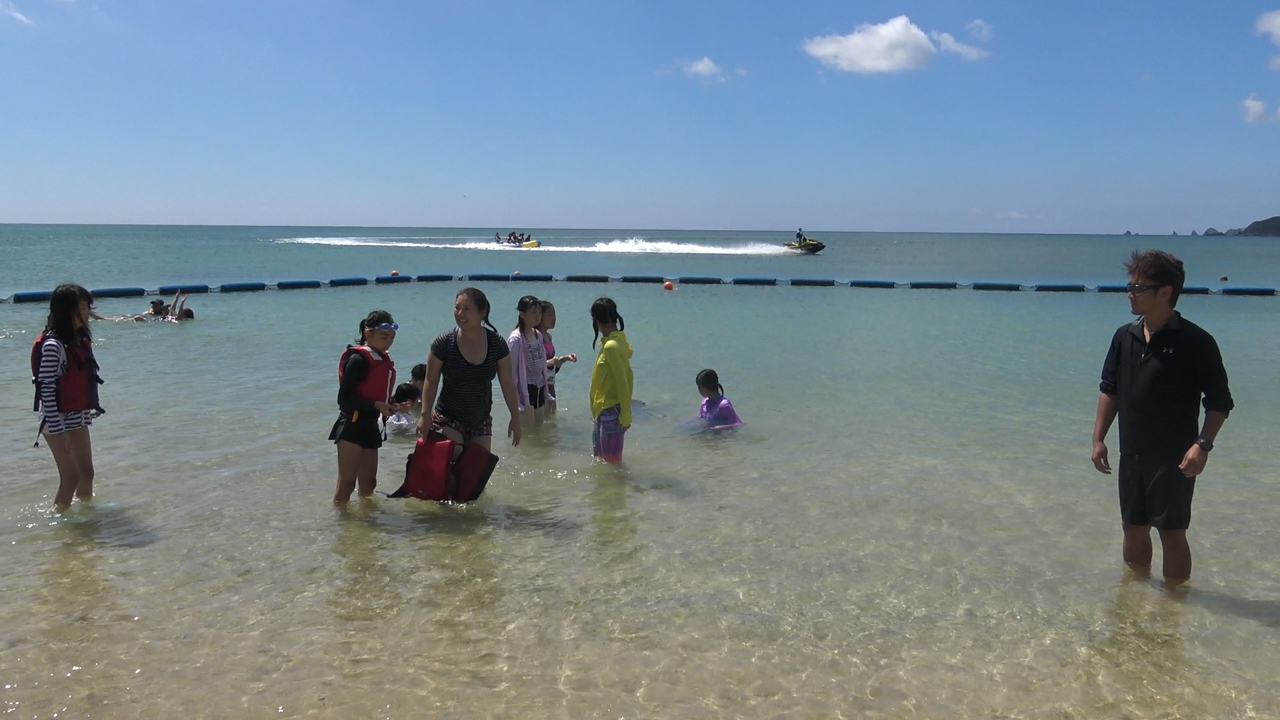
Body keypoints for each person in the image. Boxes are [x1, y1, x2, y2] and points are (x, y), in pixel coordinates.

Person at [1091, 250, 1233, 586]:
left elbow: (1219, 402)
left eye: (1138, 287)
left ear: (1165, 292)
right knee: (1132, 527)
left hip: (1174, 459)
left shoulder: (1196, 341)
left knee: (1172, 533)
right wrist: (1098, 438)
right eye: (1129, 286)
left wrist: (1203, 445)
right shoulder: (1125, 336)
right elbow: (1109, 390)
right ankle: (1136, 595)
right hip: (1133, 453)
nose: (1130, 293)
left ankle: (1173, 606)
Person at [416, 287, 522, 452]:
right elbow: (431, 380)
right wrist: (424, 416)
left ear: (482, 312)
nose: (460, 314)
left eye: (466, 309)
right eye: (457, 308)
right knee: (453, 462)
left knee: (476, 473)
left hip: (481, 420)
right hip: (448, 417)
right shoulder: (444, 342)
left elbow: (507, 382)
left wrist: (515, 417)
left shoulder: (496, 344)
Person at [32, 284, 105, 512]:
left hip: (76, 413)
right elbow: (46, 388)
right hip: (56, 419)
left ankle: (86, 513)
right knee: (71, 477)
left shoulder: (78, 339)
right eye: (82, 307)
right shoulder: (54, 346)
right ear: (67, 310)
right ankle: (59, 522)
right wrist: (58, 430)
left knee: (87, 472)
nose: (87, 312)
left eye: (87, 307)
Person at [330, 310, 400, 504]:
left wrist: (391, 404)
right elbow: (344, 399)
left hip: (370, 424)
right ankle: (341, 525)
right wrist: (376, 405)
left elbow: (375, 391)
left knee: (369, 484)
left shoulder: (382, 360)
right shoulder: (358, 360)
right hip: (351, 423)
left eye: (392, 338)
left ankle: (365, 526)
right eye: (384, 337)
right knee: (347, 483)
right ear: (368, 334)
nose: (389, 342)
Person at [589, 297, 633, 462]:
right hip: (602, 410)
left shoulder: (612, 346)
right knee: (601, 464)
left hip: (611, 411)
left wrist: (625, 414)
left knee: (612, 466)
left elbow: (624, 380)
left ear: (596, 320)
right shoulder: (616, 341)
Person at [508, 295, 548, 426]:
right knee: (528, 433)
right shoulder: (516, 339)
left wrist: (547, 392)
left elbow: (542, 364)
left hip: (539, 385)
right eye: (533, 313)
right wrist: (517, 401)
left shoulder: (538, 335)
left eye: (539, 312)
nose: (537, 316)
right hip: (525, 389)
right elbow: (511, 373)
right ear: (522, 314)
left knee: (539, 430)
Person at [536, 300, 576, 415]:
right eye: (550, 315)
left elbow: (551, 363)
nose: (554, 318)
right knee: (542, 422)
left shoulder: (548, 336)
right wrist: (550, 362)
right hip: (539, 385)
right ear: (540, 316)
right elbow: (533, 363)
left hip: (550, 383)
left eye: (554, 315)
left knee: (552, 420)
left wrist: (565, 358)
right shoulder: (535, 337)